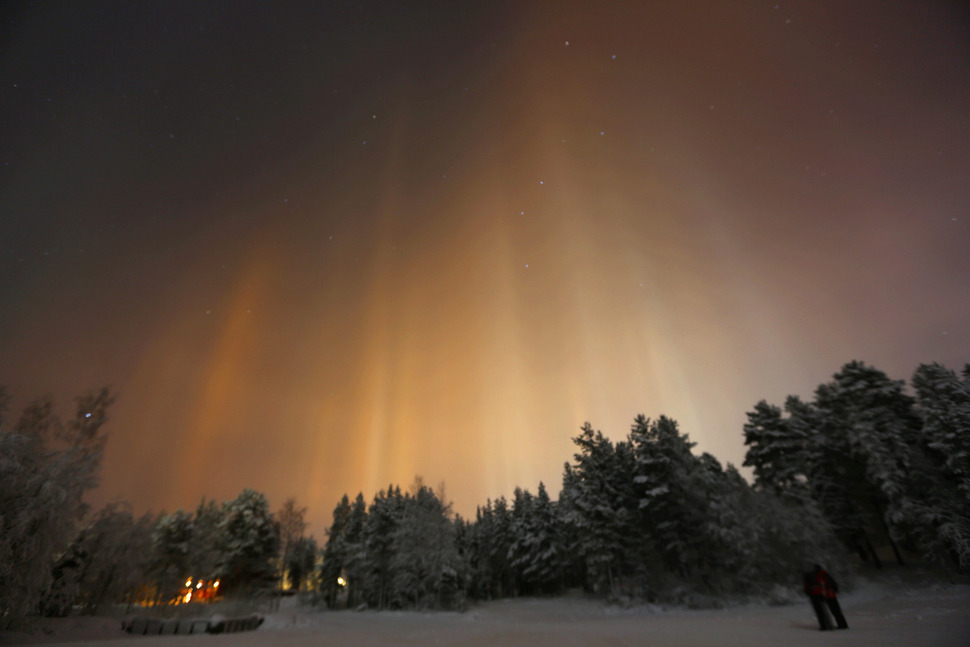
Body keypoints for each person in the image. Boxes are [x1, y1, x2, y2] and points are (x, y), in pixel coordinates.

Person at [815, 564, 848, 629]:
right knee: (837, 611)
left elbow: (823, 586)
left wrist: (823, 596)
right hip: (832, 595)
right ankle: (843, 624)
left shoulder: (821, 576)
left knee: (834, 611)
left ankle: (842, 625)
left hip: (828, 596)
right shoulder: (826, 574)